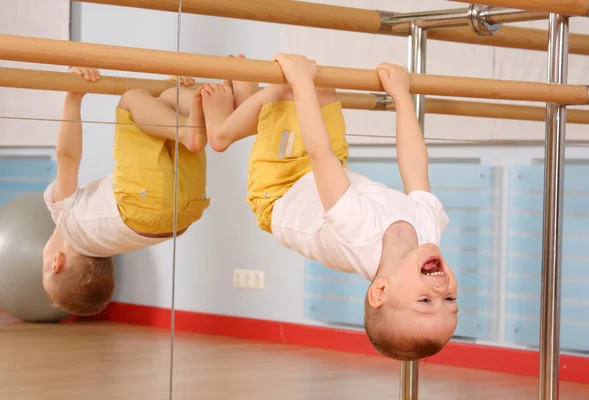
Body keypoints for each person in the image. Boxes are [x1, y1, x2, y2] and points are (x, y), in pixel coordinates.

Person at [201, 53, 458, 361]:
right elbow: (414, 163)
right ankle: (248, 103)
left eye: (425, 301)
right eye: (451, 299)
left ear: (380, 291)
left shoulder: (359, 233)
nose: (441, 290)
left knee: (289, 90)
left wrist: (300, 79)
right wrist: (402, 95)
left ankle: (221, 131)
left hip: (280, 189)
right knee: (323, 90)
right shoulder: (429, 229)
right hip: (327, 171)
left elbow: (319, 151)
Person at [42, 67, 210, 317]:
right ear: (57, 263)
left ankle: (204, 99)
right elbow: (67, 157)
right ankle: (188, 121)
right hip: (139, 207)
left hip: (183, 216)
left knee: (168, 101)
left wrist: (172, 91)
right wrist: (73, 97)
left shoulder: (109, 240)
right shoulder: (67, 222)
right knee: (131, 100)